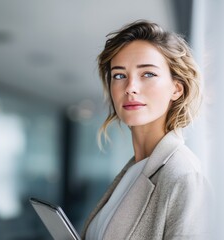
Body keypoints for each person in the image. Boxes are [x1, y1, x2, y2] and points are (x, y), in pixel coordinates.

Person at [81, 20, 211, 240]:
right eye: (119, 75)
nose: (130, 87)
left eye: (148, 74)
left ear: (176, 89)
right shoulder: (134, 170)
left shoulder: (184, 176)